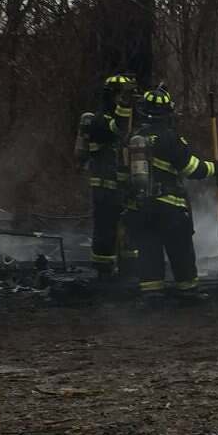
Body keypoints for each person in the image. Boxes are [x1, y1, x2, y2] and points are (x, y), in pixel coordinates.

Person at [128, 89, 218, 302]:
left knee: (149, 250)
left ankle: (152, 294)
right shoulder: (171, 137)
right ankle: (187, 292)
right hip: (169, 208)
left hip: (139, 208)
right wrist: (215, 168)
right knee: (180, 250)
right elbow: (191, 168)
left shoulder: (134, 137)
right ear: (168, 112)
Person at [76, 73, 137, 280]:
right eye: (119, 96)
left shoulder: (127, 119)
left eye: (125, 96)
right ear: (110, 96)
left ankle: (129, 270)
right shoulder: (100, 120)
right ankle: (104, 272)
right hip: (106, 187)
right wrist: (126, 104)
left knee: (130, 228)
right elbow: (118, 129)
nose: (122, 100)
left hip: (126, 186)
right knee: (106, 231)